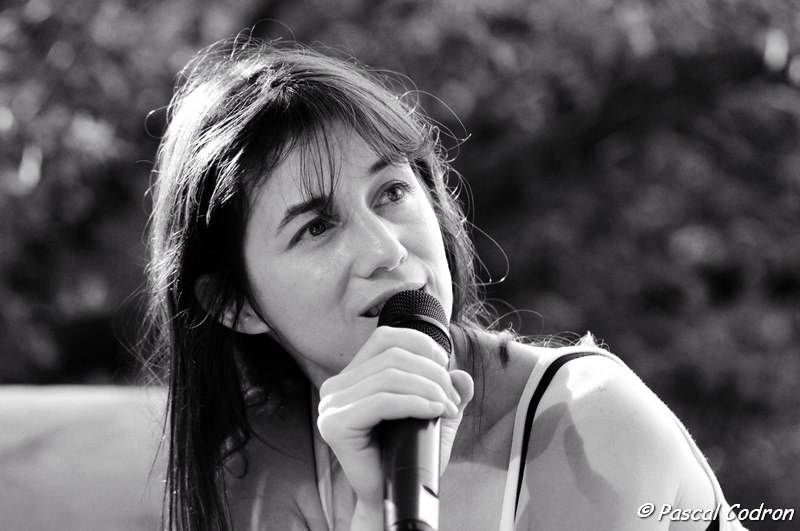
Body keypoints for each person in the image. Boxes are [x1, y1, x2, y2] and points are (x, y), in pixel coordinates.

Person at [144, 37, 745, 531]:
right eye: (317, 226)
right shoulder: (253, 474)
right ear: (232, 303)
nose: (386, 248)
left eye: (392, 192)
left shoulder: (589, 421)